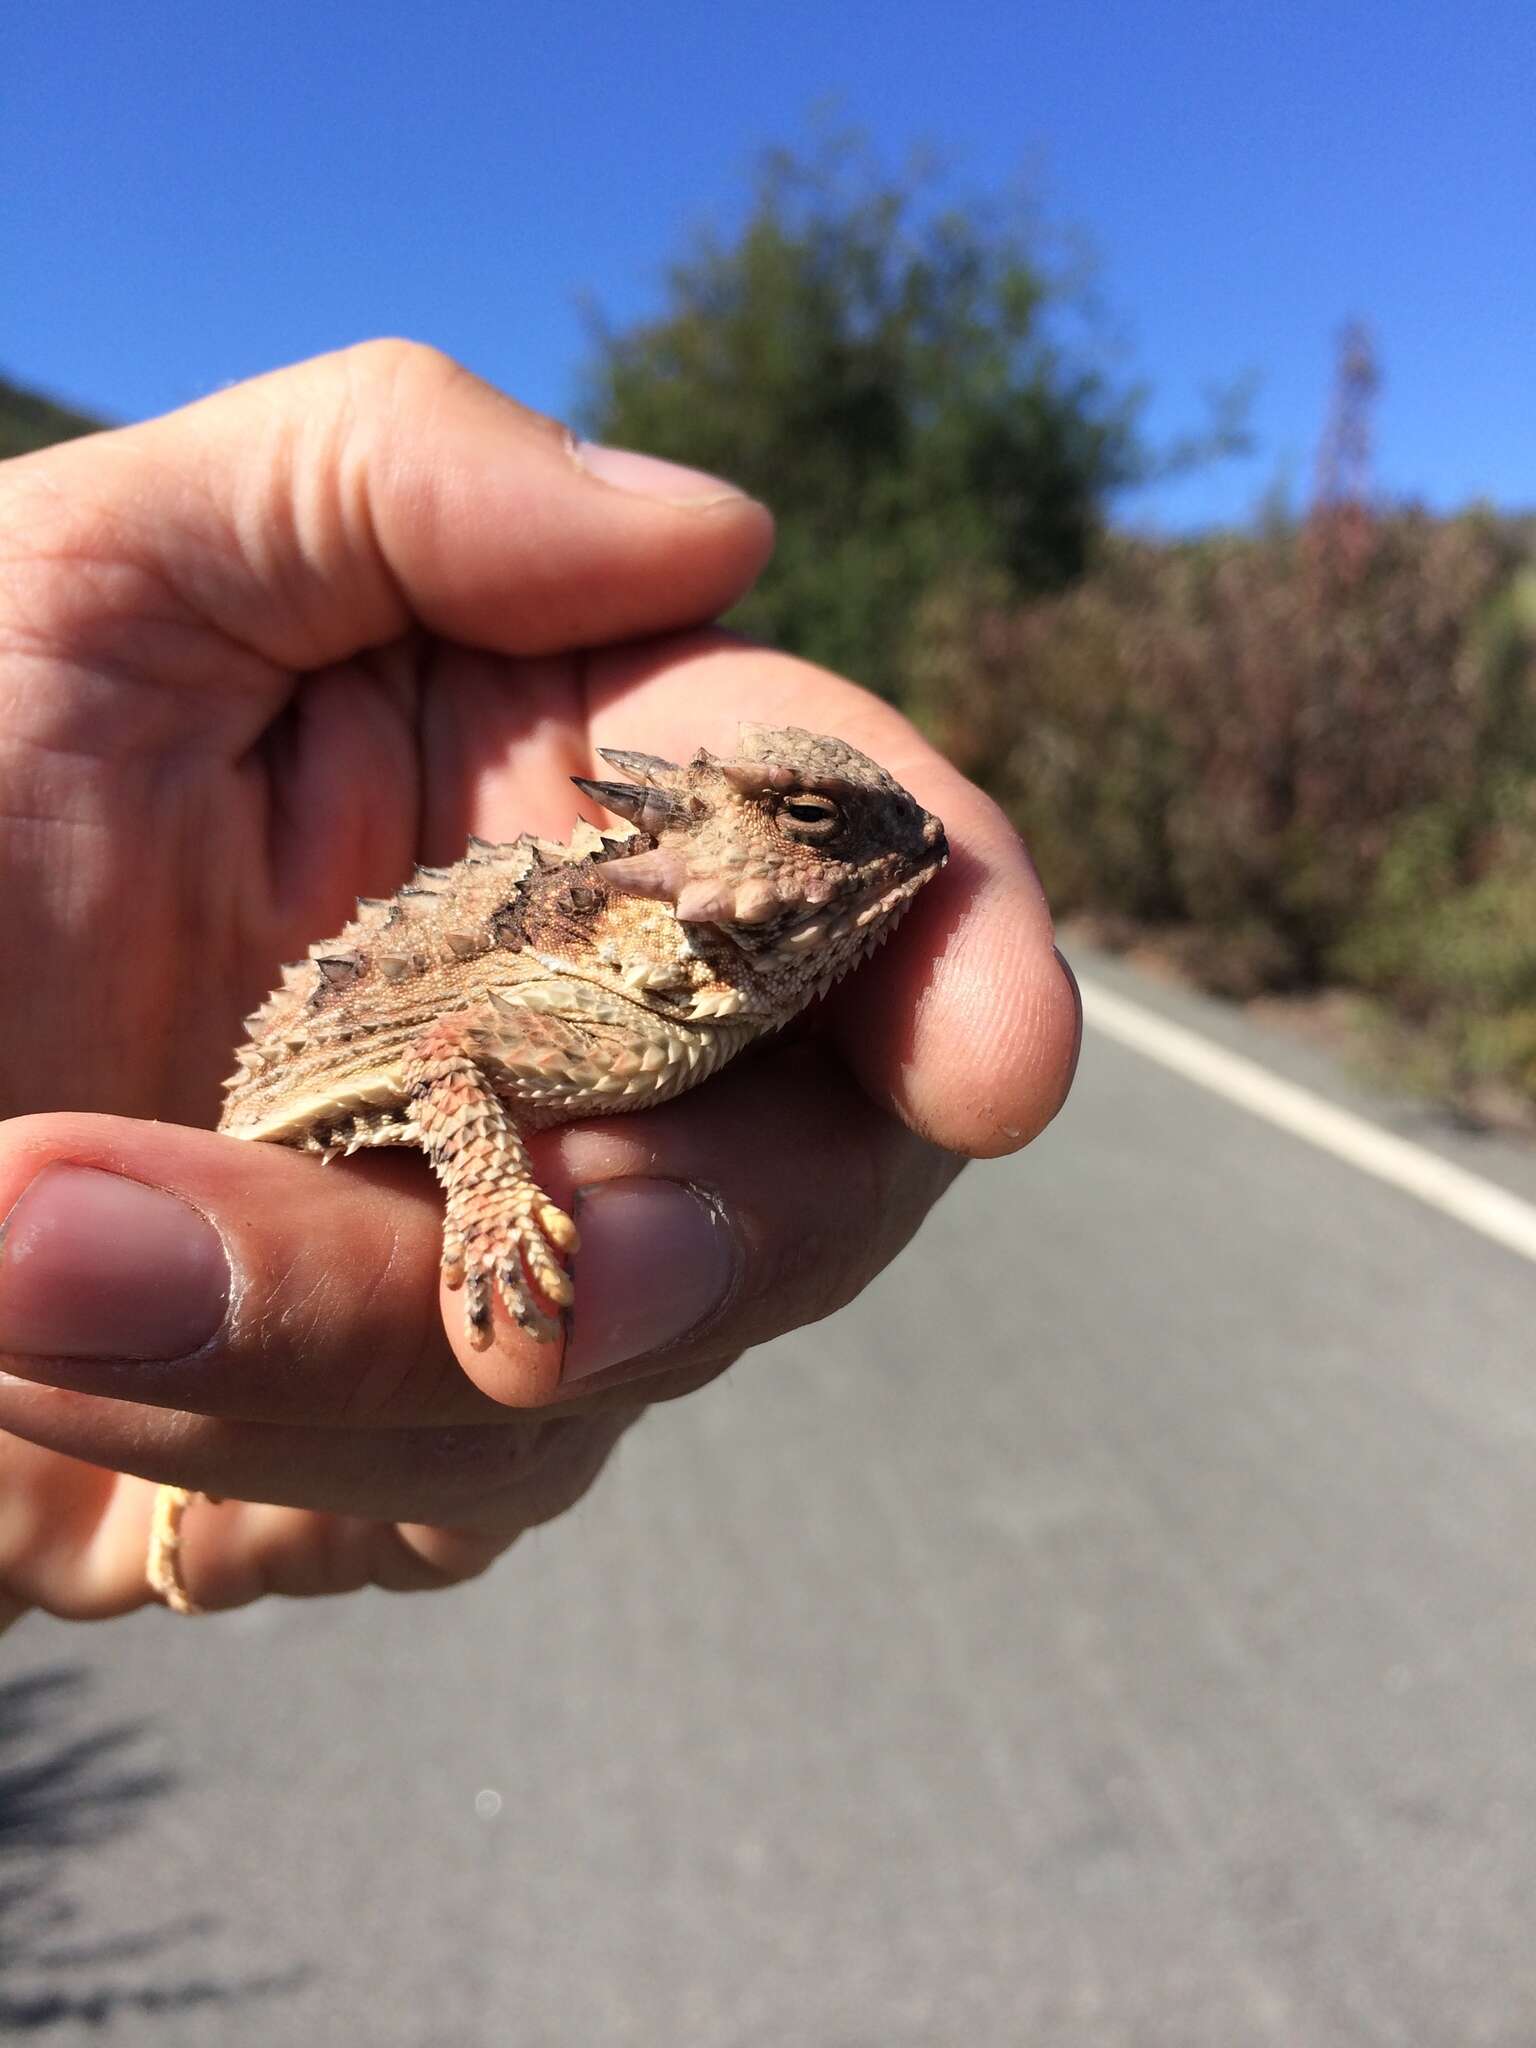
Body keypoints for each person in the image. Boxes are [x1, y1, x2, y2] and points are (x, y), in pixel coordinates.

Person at [0, 342, 1080, 1624]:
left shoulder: (712, 986)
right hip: (291, 1112)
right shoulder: (613, 994)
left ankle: (182, 1429)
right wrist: (499, 1199)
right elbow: (455, 1047)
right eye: (805, 818)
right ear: (715, 839)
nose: (894, 852)